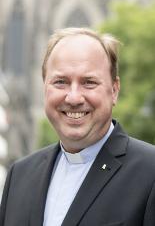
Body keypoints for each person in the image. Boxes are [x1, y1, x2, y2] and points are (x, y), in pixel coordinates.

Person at [0, 27, 155, 226]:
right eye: (61, 82)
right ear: (44, 87)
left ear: (114, 90)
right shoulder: (19, 176)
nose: (73, 98)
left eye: (89, 82)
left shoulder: (150, 173)